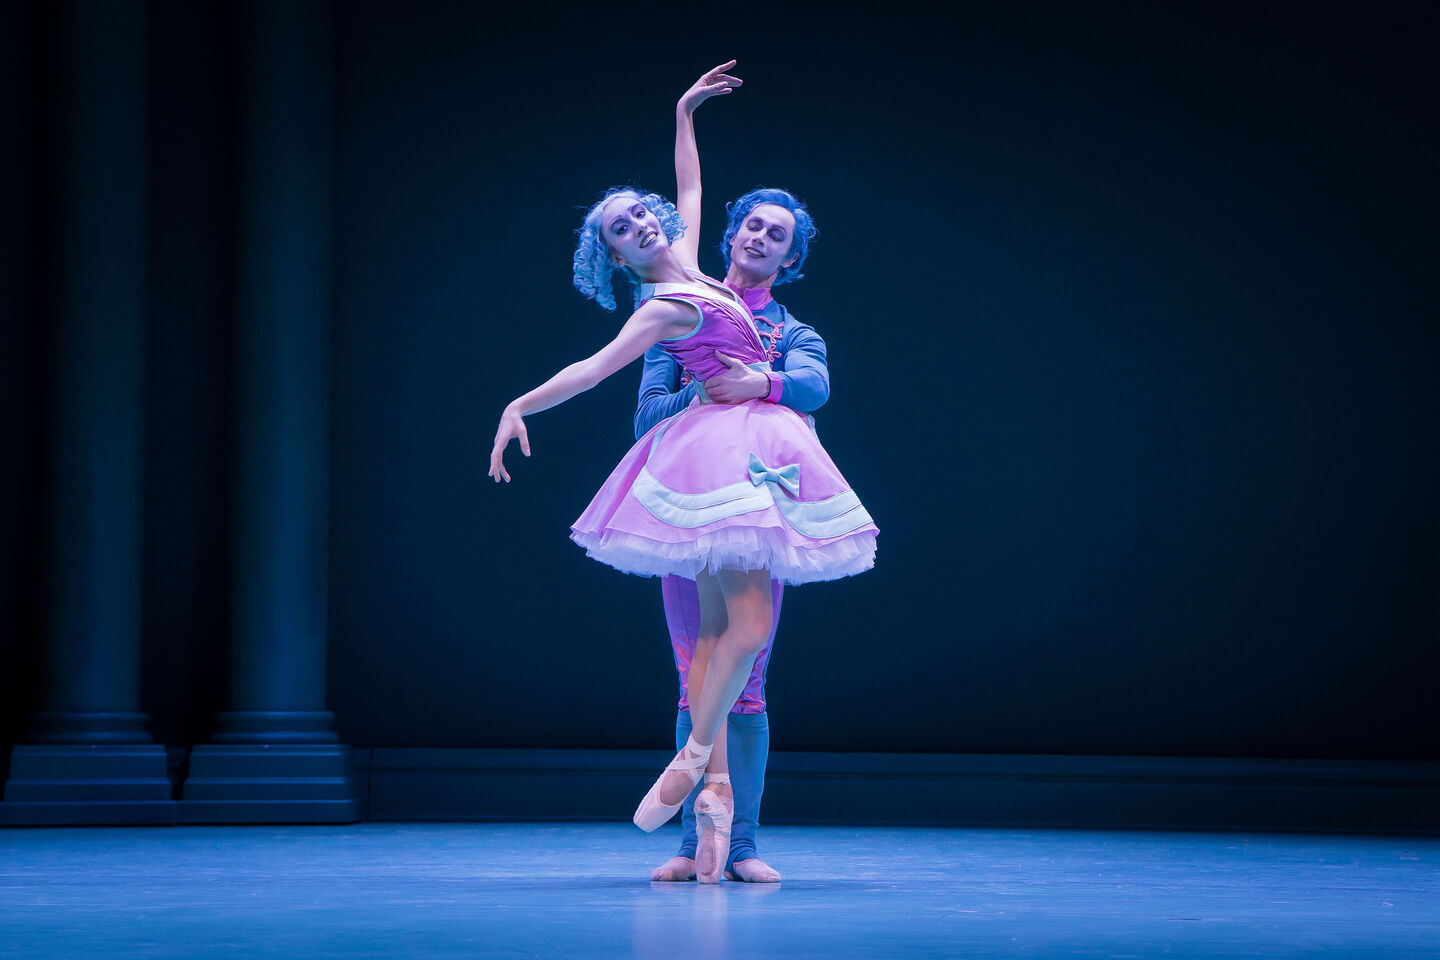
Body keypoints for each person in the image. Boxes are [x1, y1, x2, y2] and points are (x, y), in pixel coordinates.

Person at [488, 62, 877, 884]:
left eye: (641, 215)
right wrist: (518, 403)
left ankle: (719, 814)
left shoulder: (698, 267)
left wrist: (682, 112)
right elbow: (595, 372)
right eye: (624, 231)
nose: (643, 225)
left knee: (727, 645)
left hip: (753, 464)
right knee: (723, 644)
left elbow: (689, 186)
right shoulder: (665, 305)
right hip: (708, 467)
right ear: (621, 258)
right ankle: (695, 767)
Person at [635, 177, 827, 885]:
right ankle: (694, 845)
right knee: (695, 672)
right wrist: (703, 384)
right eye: (753, 225)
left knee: (747, 680)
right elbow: (646, 415)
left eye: (777, 235)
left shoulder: (792, 333)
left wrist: (762, 383)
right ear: (731, 233)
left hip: (754, 518)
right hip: (690, 517)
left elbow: (813, 385)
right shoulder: (681, 308)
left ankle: (739, 845)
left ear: (789, 259)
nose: (760, 238)